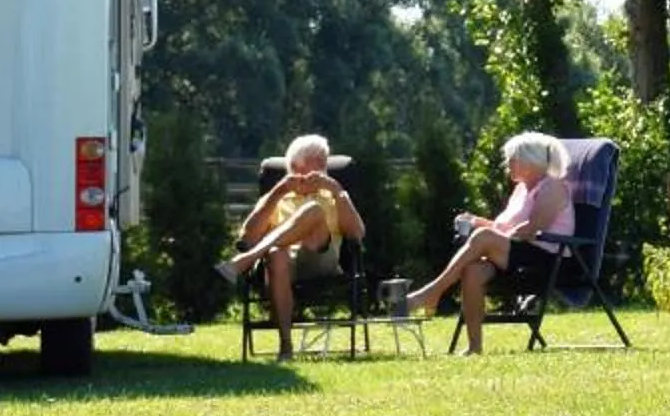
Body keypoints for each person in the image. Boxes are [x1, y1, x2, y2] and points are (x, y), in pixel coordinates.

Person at [397, 131, 574, 353]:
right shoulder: (521, 190)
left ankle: (432, 292)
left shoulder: (553, 187)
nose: (507, 163)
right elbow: (506, 229)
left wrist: (489, 238)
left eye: (512, 159)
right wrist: (477, 222)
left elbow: (530, 230)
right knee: (473, 270)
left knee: (483, 238)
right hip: (518, 255)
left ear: (531, 161)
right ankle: (474, 347)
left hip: (547, 260)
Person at [217, 133, 368, 360]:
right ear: (297, 167)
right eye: (318, 161)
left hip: (321, 258)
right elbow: (247, 237)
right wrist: (278, 192)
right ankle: (286, 346)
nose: (324, 167)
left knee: (313, 210)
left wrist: (337, 190)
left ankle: (246, 261)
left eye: (325, 161)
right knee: (277, 254)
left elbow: (357, 234)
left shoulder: (333, 195)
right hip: (284, 265)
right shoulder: (276, 197)